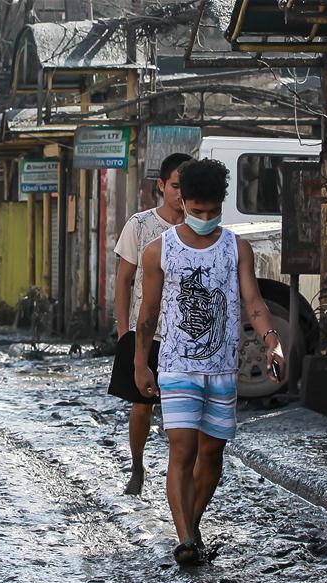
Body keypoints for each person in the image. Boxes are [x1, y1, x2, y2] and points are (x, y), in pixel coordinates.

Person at [134, 159, 286, 566]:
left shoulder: (237, 248)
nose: (203, 218)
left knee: (212, 454)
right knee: (181, 451)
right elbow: (147, 314)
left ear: (221, 204)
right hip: (176, 366)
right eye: (196, 210)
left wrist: (272, 342)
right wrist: (139, 364)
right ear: (182, 201)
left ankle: (193, 524)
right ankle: (184, 539)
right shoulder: (158, 251)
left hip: (222, 368)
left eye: (211, 211)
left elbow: (253, 303)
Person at [108, 152, 191, 495]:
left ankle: (178, 477)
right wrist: (123, 331)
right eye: (175, 186)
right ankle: (137, 465)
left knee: (180, 413)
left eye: (186, 188)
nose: (180, 194)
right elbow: (124, 279)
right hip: (146, 333)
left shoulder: (196, 229)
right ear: (161, 185)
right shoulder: (140, 225)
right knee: (141, 406)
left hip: (185, 336)